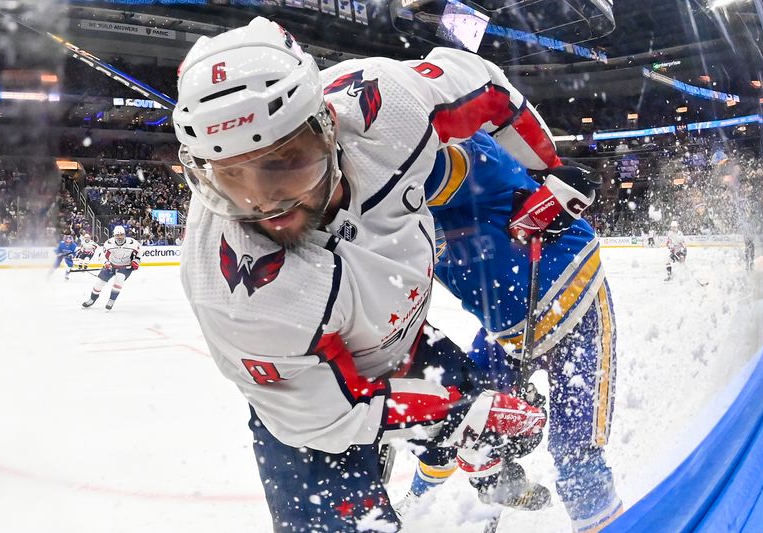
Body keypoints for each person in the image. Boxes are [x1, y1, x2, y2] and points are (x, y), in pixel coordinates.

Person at [173, 17, 586, 532]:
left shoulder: (387, 105)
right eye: (231, 176)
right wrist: (456, 415)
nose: (264, 203)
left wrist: (547, 171)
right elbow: (331, 419)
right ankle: (450, 444)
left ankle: (482, 464)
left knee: (479, 419)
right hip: (313, 421)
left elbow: (486, 86)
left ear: (328, 124)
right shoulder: (230, 294)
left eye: (284, 162)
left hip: (399, 334)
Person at [397, 131, 621, 532]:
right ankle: (441, 494)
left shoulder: (454, 154)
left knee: (576, 452)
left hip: (575, 302)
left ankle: (600, 521)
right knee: (458, 416)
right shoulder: (391, 221)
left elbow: (455, 158)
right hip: (505, 332)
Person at [81, 225, 141, 310]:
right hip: (111, 265)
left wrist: (136, 261)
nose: (120, 237)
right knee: (99, 283)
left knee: (118, 281)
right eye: (117, 235)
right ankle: (92, 299)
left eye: (121, 234)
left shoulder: (133, 243)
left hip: (125, 267)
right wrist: (106, 262)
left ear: (125, 234)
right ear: (114, 235)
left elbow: (139, 252)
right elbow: (102, 256)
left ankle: (111, 300)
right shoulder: (109, 243)